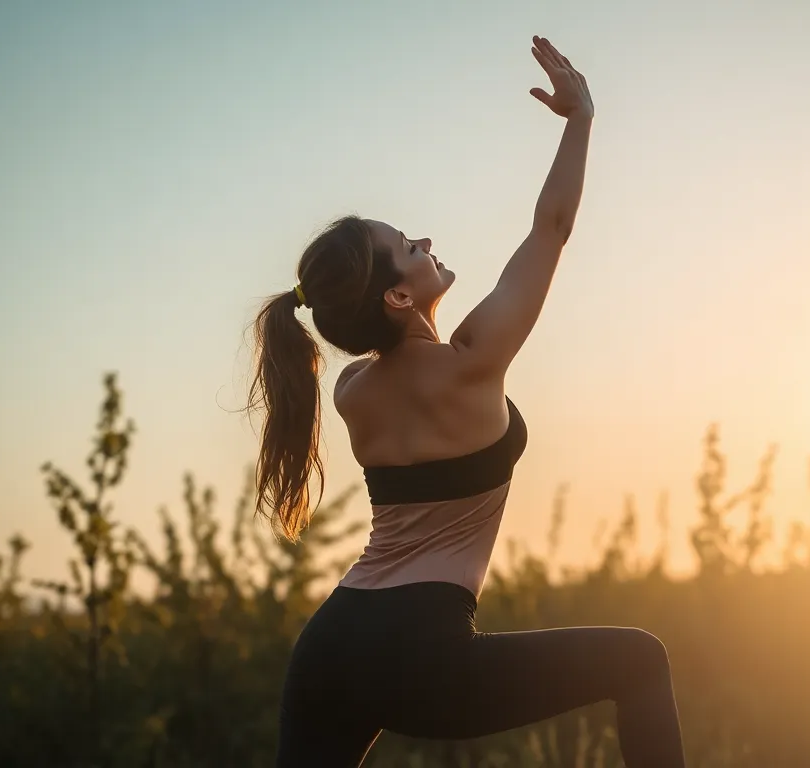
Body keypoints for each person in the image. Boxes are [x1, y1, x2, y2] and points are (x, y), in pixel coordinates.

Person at [247, 36, 687, 768]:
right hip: (425, 649)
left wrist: (421, 311)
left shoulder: (354, 391)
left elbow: (412, 360)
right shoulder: (474, 362)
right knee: (640, 661)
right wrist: (580, 120)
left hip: (330, 645)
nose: (425, 240)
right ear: (395, 294)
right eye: (410, 247)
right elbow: (552, 228)